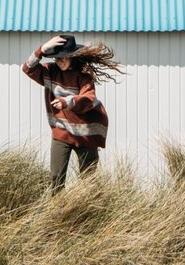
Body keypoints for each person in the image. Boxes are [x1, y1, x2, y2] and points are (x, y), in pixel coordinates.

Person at [22, 34, 123, 193]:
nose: (59, 61)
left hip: (87, 132)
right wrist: (41, 50)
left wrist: (67, 102)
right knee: (56, 179)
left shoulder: (83, 74)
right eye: (56, 58)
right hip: (62, 131)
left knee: (88, 182)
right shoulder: (50, 71)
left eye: (62, 57)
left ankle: (87, 215)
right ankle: (57, 214)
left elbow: (88, 99)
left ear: (72, 56)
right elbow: (27, 68)